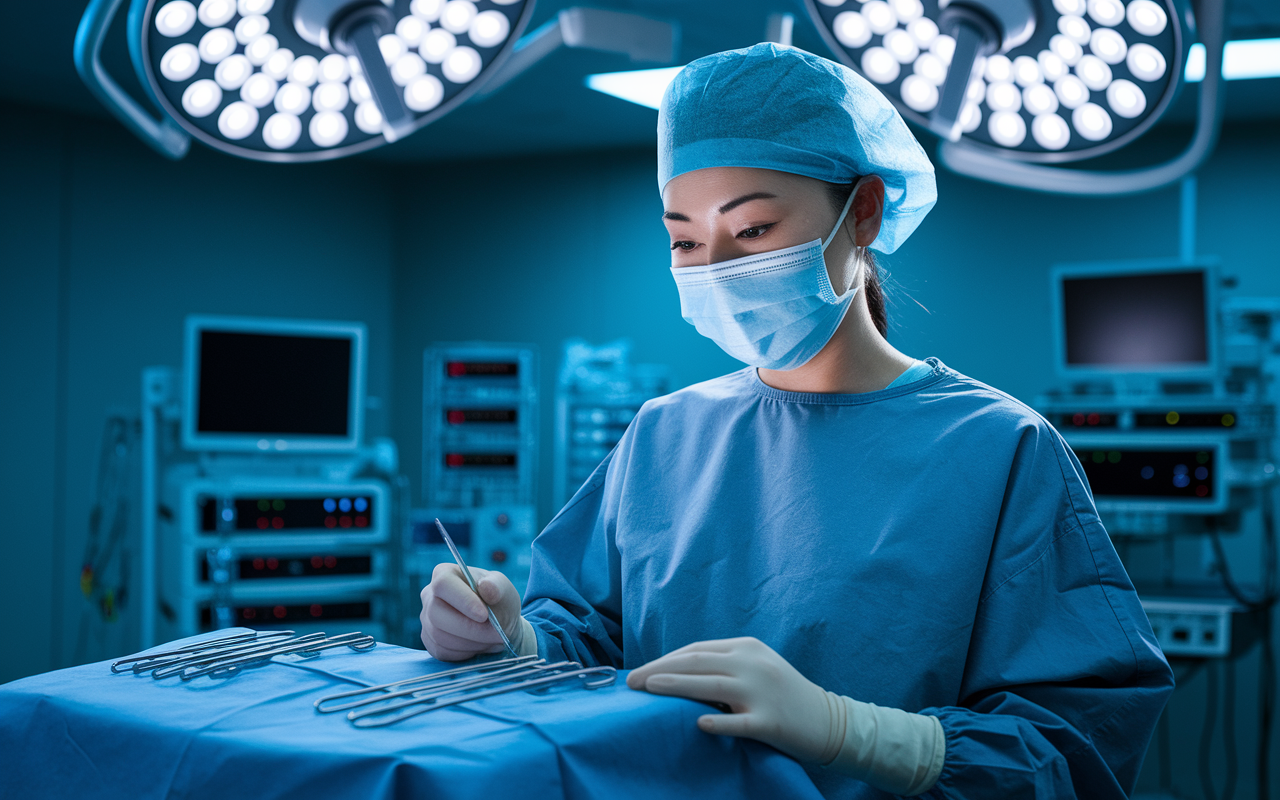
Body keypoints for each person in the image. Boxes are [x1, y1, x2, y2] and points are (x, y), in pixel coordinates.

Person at [420, 43, 1174, 798]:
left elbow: (1078, 746)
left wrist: (857, 734)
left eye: (751, 232)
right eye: (684, 240)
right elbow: (587, 637)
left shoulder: (1000, 449)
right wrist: (510, 637)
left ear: (864, 213)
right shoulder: (664, 436)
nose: (714, 267)